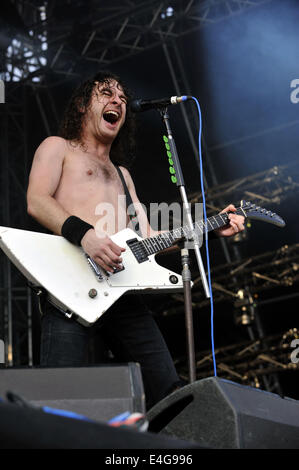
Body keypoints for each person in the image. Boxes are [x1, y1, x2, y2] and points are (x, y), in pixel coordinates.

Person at [27, 71, 245, 409]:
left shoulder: (122, 174)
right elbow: (37, 201)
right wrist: (86, 236)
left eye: (123, 99)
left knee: (170, 392)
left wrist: (211, 228)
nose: (117, 101)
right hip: (68, 290)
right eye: (106, 94)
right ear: (84, 105)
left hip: (122, 291)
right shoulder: (58, 148)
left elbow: (147, 237)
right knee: (59, 394)